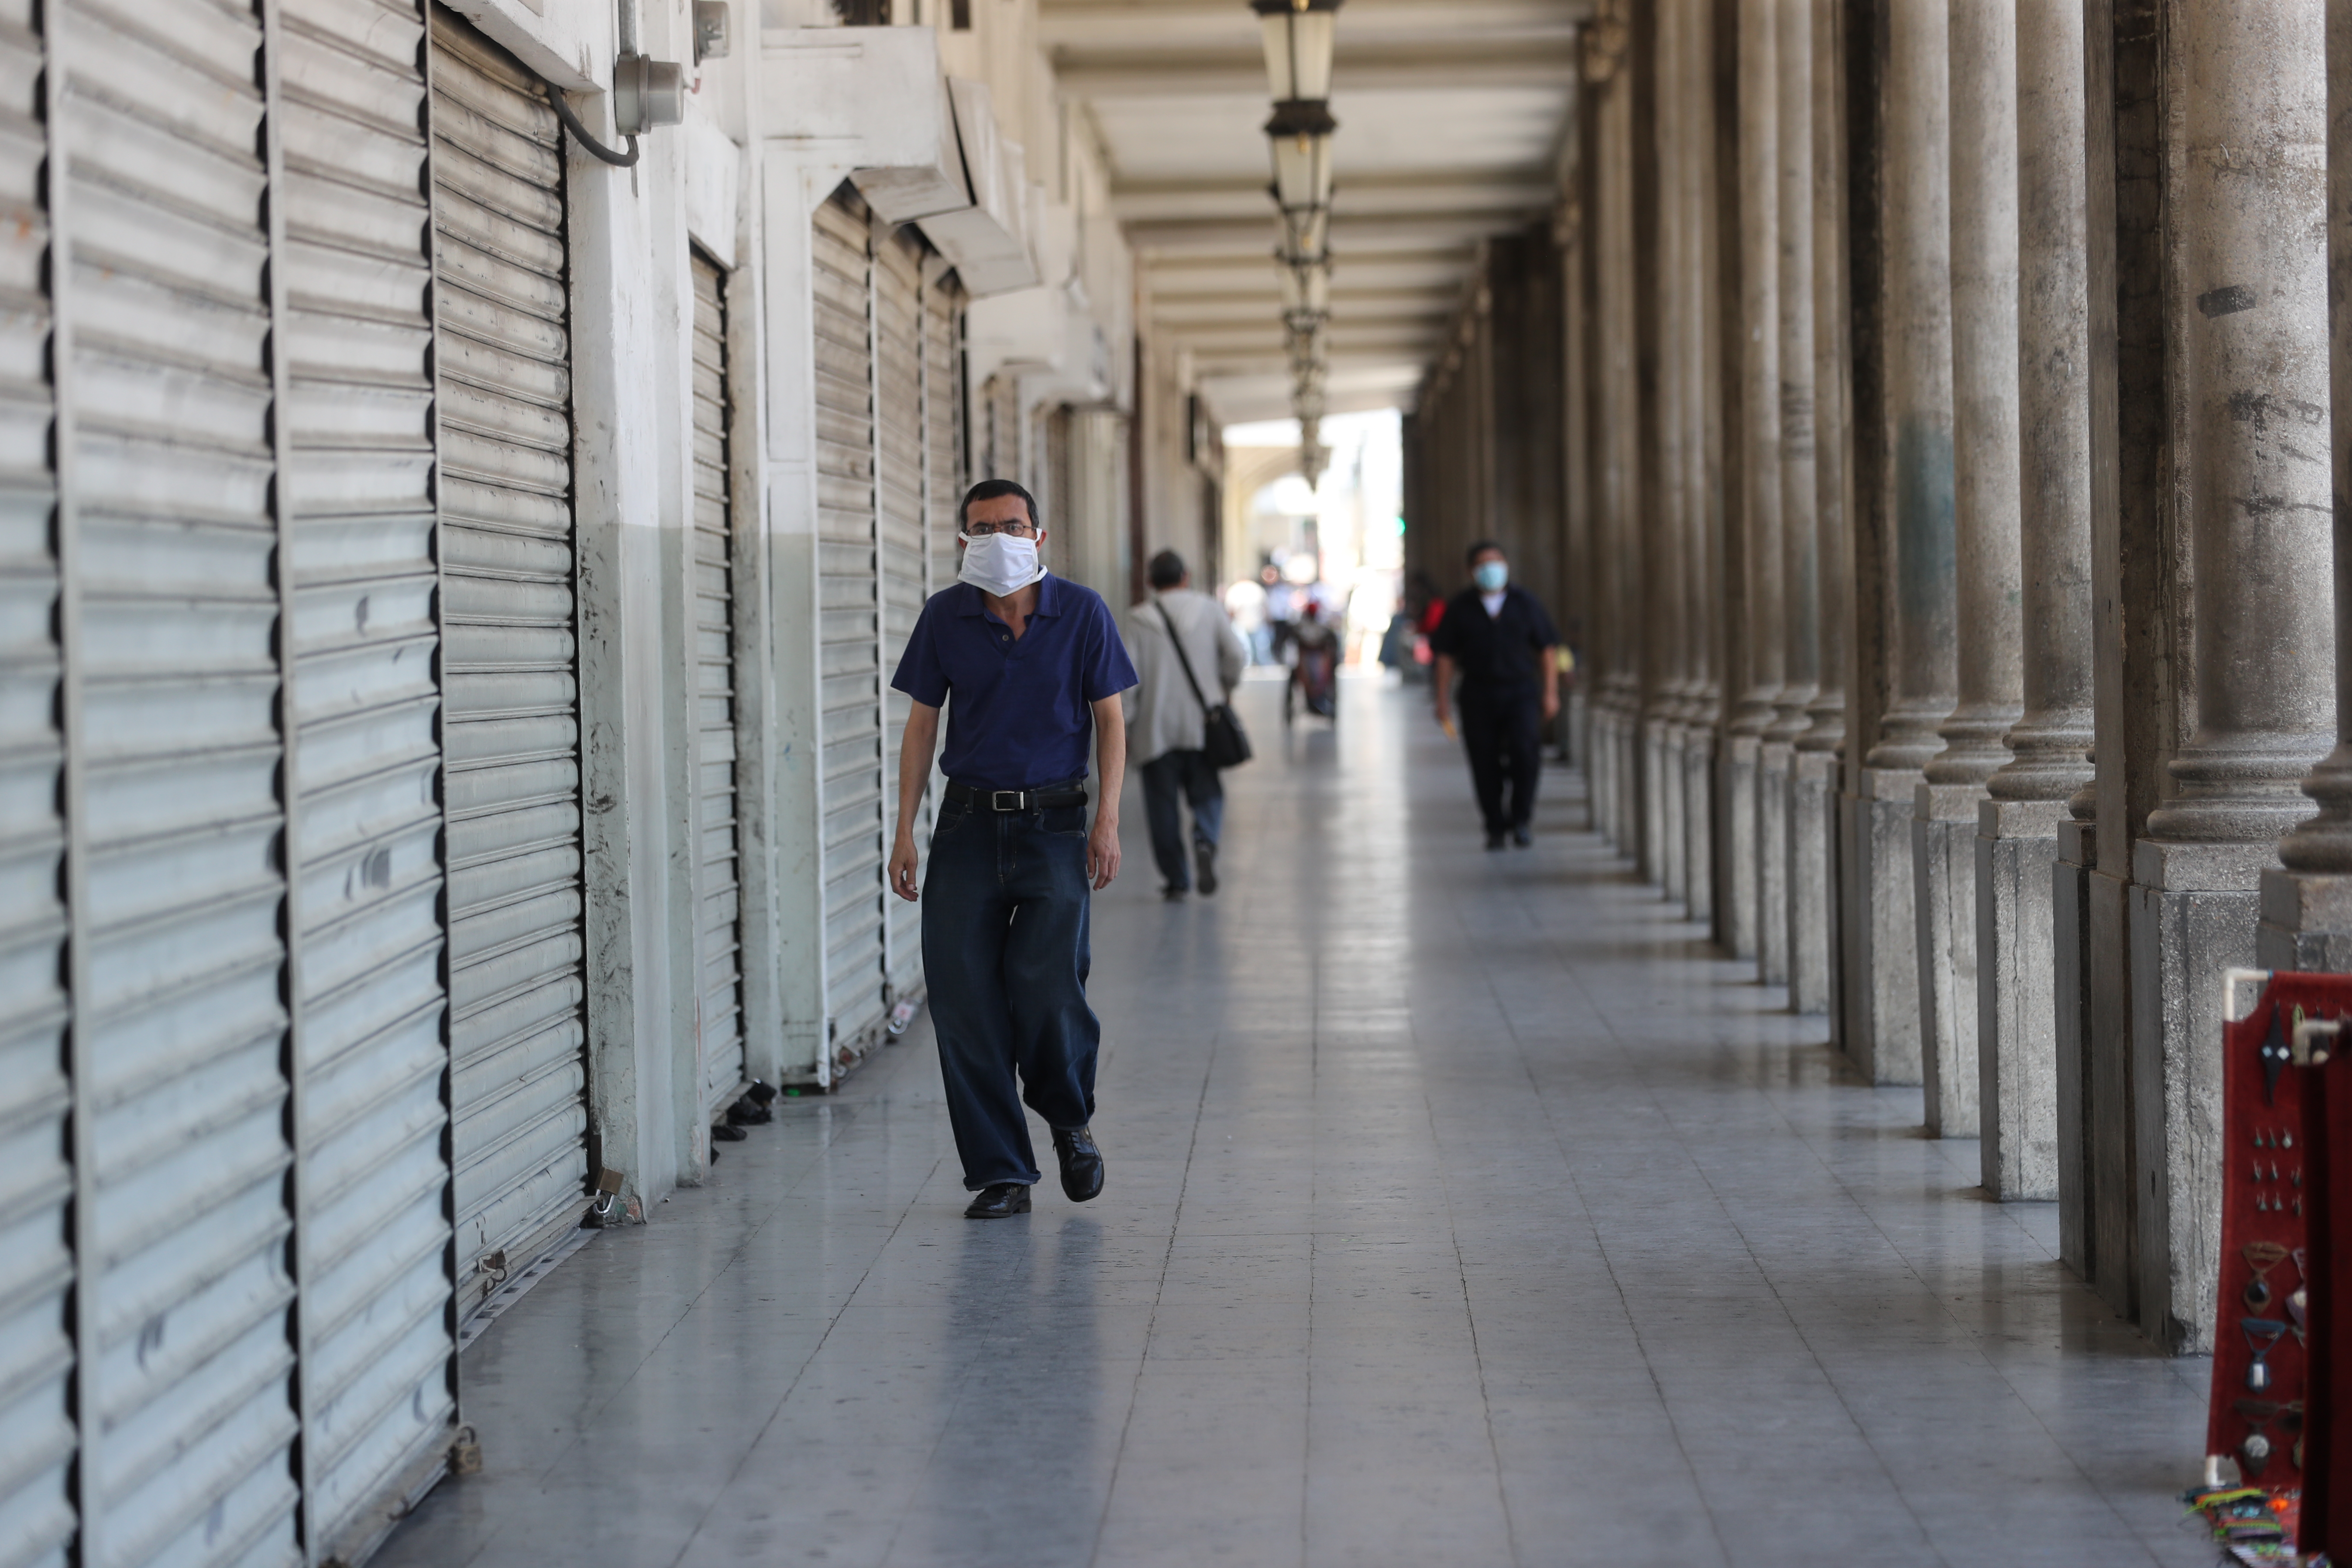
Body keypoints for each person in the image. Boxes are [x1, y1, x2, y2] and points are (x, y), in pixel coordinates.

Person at [888, 479, 1139, 1219]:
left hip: (1054, 827)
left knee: (1050, 990)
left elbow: (1110, 721)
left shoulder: (1082, 612)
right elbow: (921, 726)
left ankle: (1068, 1118)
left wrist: (1109, 819)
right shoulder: (946, 617)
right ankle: (1002, 1171)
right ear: (963, 540)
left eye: (1013, 524)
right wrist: (904, 828)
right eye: (983, 527)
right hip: (966, 828)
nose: (999, 537)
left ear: (1040, 535)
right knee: (962, 1004)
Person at [1124, 550, 1248, 901]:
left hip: (1154, 728)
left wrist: (1125, 726)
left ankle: (1177, 880)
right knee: (1207, 792)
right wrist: (1225, 687)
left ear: (1150, 581)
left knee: (1161, 807)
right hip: (1202, 724)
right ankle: (1205, 840)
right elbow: (1237, 656)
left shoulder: (1137, 619)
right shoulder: (1208, 609)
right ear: (1186, 576)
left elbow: (1127, 679)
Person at [1428, 540, 1561, 849]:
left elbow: (1547, 649)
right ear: (1472, 571)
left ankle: (1522, 819)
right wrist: (1442, 699)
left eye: (1497, 562)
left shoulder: (1525, 602)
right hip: (1478, 692)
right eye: (1484, 564)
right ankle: (1495, 825)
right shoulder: (1460, 607)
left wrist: (1551, 692)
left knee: (1526, 754)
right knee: (1483, 759)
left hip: (1521, 691)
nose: (1491, 569)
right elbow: (1445, 656)